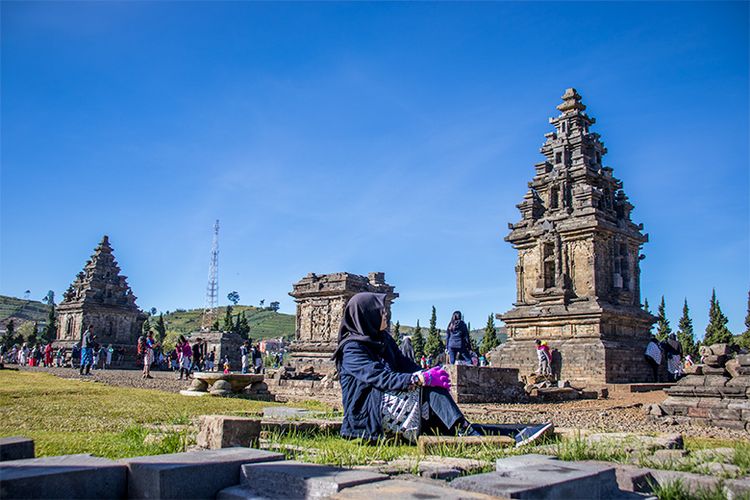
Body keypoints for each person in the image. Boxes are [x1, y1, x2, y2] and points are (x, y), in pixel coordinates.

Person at [333, 292, 482, 443]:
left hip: (388, 398)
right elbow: (380, 377)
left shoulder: (383, 339)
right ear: (367, 315)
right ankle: (464, 428)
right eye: (380, 310)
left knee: (431, 387)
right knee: (426, 387)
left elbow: (405, 364)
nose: (385, 314)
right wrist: (418, 378)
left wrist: (427, 373)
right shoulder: (351, 349)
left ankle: (461, 427)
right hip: (368, 412)